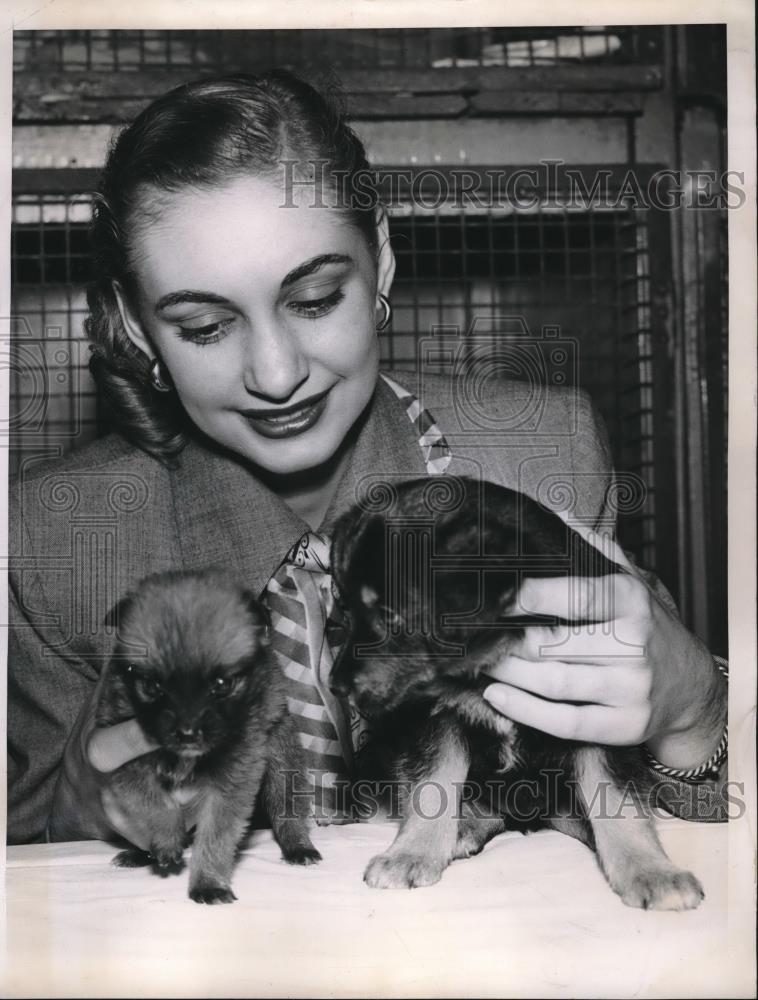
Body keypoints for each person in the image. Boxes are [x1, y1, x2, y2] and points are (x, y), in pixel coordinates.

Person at [6, 70, 728, 847]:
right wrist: (79, 808)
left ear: (379, 258)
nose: (277, 375)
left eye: (315, 300)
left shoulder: (542, 455)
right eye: (206, 327)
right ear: (138, 328)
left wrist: (695, 713)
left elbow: (632, 804)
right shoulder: (50, 540)